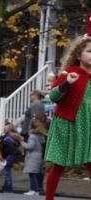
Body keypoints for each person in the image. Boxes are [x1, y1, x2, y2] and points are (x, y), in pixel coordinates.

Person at [45, 35, 91, 200]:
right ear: (79, 55)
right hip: (67, 125)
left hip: (88, 127)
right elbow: (54, 96)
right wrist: (67, 83)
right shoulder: (70, 73)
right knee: (58, 166)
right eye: (89, 51)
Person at [21, 119, 46, 196]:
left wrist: (21, 142)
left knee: (32, 174)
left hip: (33, 156)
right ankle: (36, 190)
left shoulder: (32, 136)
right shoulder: (40, 135)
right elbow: (42, 142)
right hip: (38, 155)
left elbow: (30, 146)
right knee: (34, 173)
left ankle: (33, 190)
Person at [0, 123, 21, 192]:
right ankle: (6, 185)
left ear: (8, 130)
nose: (4, 129)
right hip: (12, 156)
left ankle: (9, 186)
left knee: (7, 172)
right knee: (7, 171)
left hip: (9, 156)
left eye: (5, 128)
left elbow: (4, 144)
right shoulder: (14, 136)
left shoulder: (8, 138)